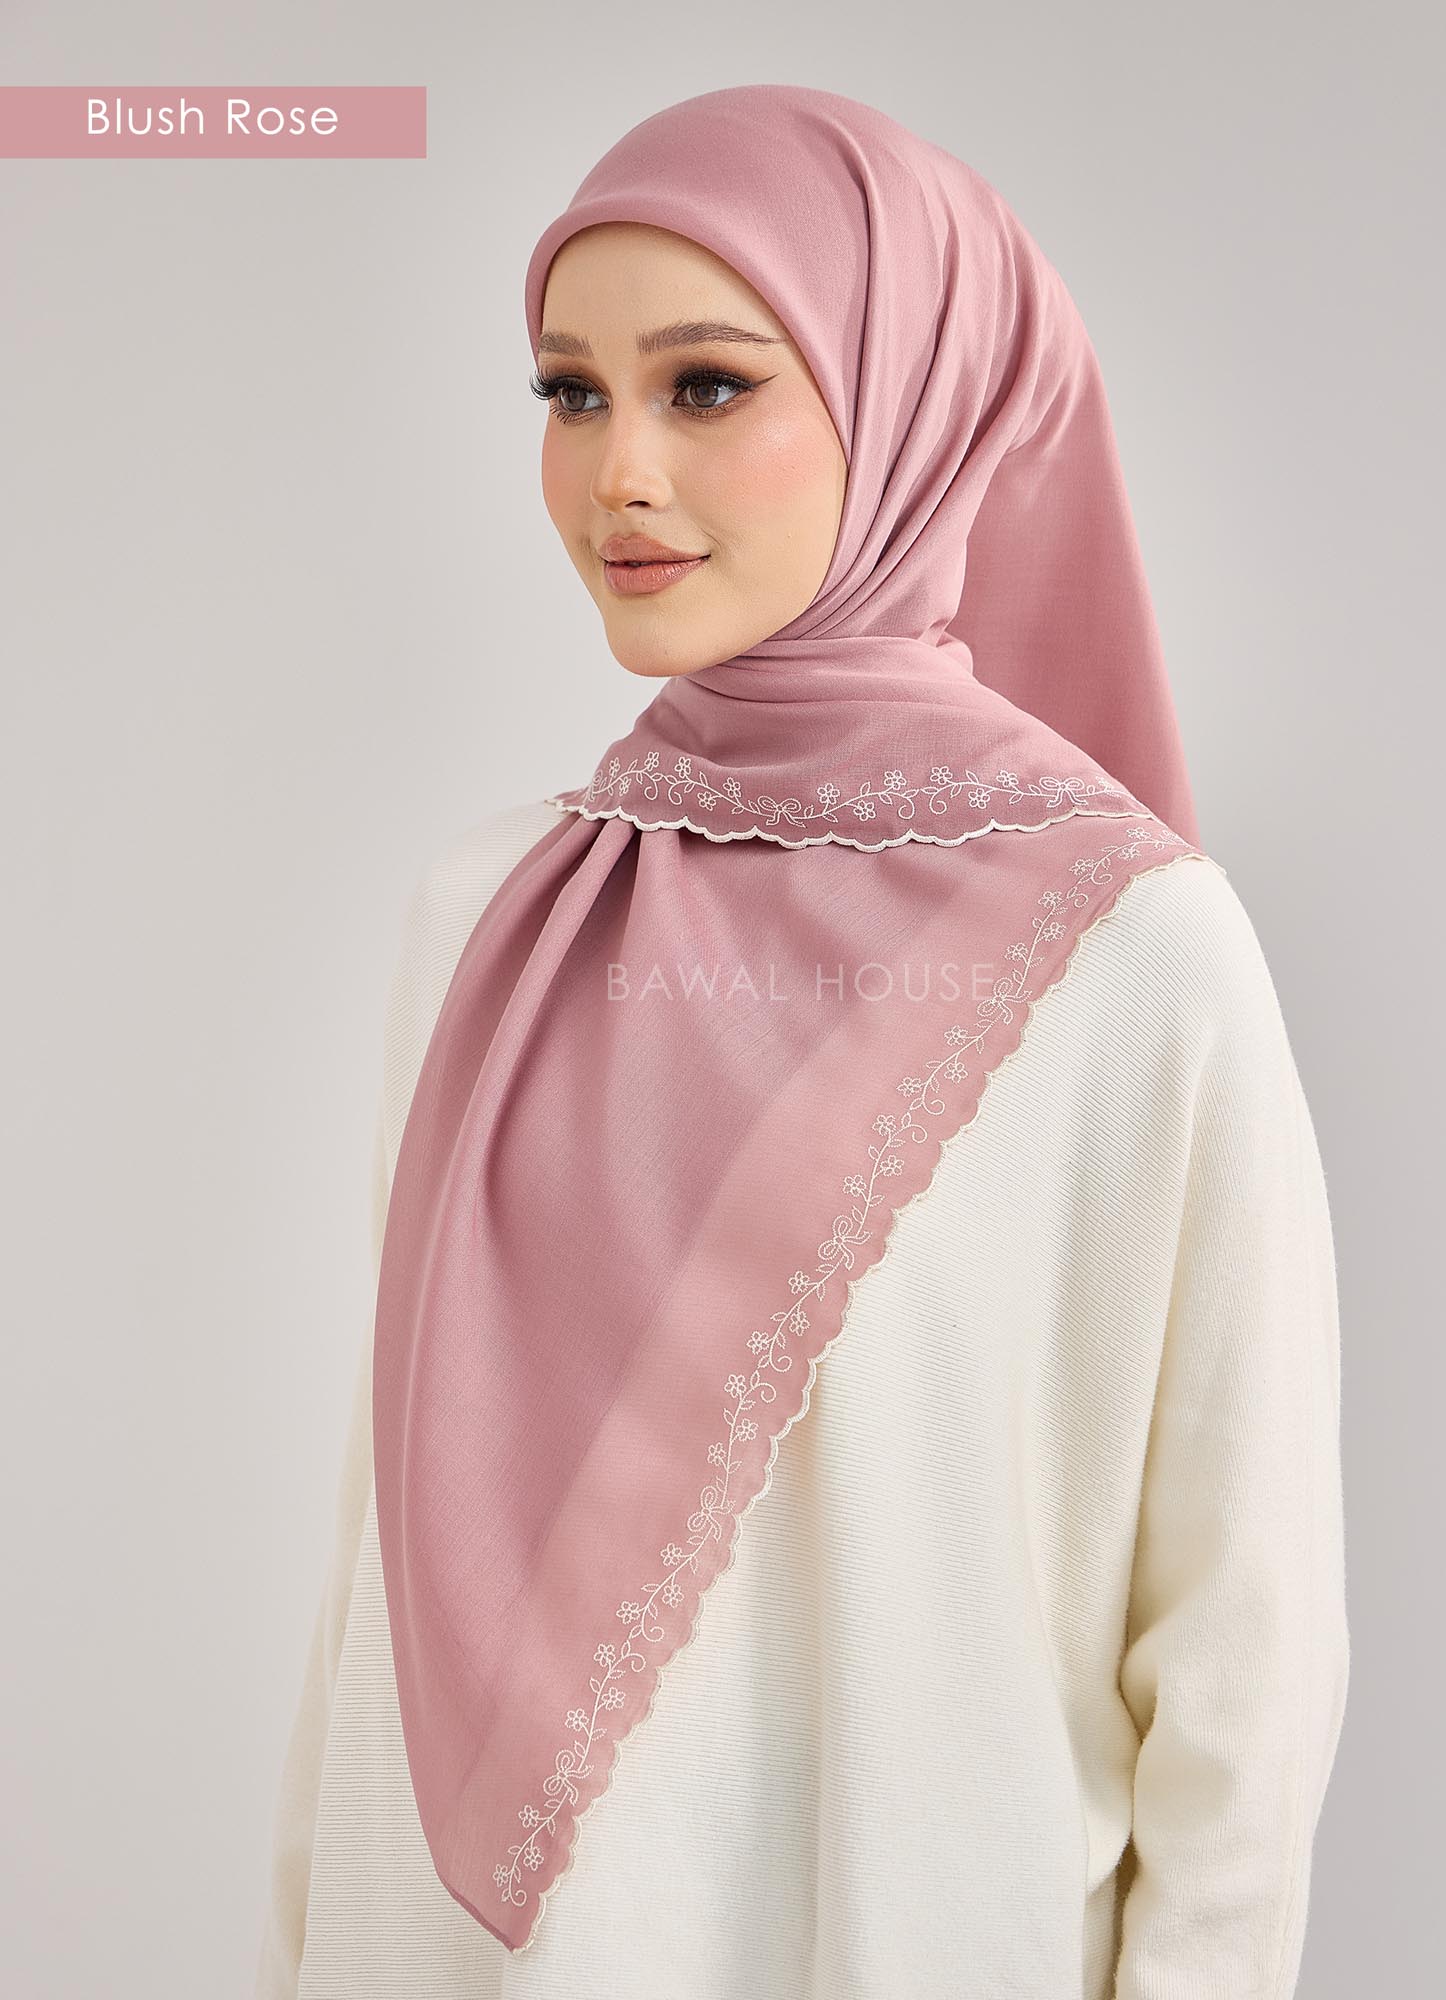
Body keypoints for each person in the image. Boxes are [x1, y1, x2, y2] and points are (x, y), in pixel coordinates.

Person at [254, 84, 1349, 2000]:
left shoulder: (1134, 954)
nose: (618, 472)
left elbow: (1243, 1657)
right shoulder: (489, 918)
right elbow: (381, 1577)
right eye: (571, 393)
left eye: (705, 386)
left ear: (914, 400)